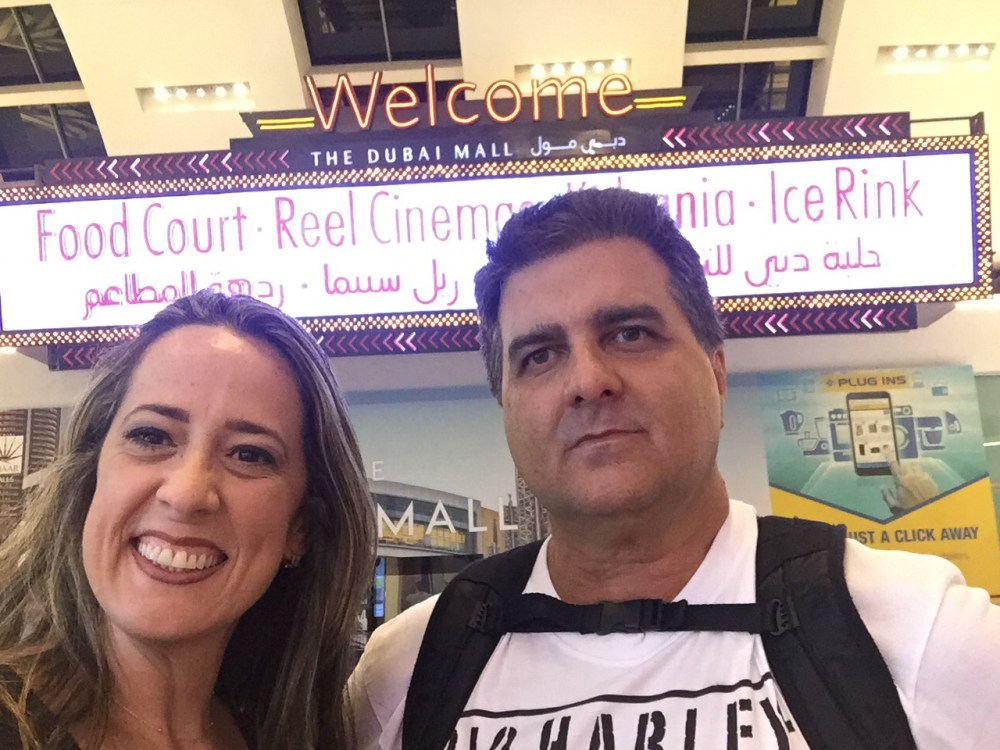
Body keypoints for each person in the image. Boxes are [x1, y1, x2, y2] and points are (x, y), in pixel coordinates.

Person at [349, 187, 1000, 749]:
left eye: (629, 333)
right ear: (507, 406)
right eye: (540, 355)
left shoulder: (920, 634)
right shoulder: (406, 671)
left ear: (716, 373)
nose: (588, 380)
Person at [0, 291, 376, 750]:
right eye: (151, 435)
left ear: (301, 528)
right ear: (92, 475)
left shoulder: (298, 735)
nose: (186, 494)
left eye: (249, 454)